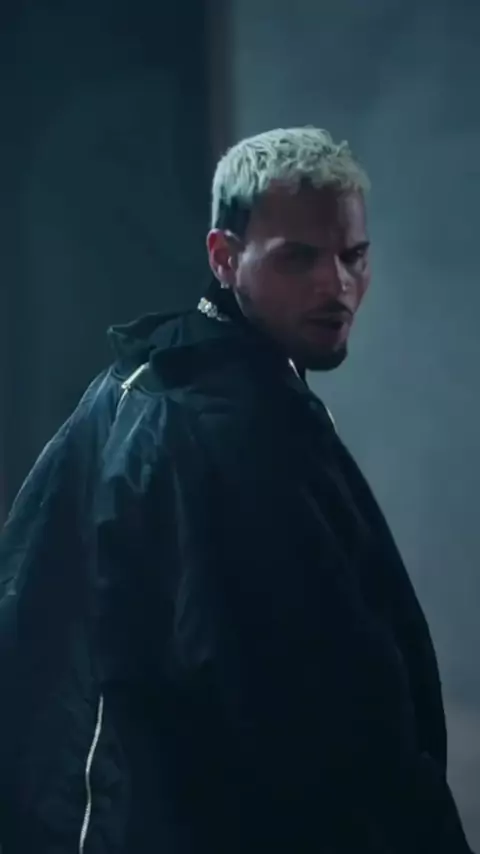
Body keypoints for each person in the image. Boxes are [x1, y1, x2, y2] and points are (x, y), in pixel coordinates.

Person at [0, 127, 474, 854]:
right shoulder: (219, 427)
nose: (337, 285)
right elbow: (311, 720)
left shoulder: (157, 382)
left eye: (353, 256)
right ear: (225, 257)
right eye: (298, 258)